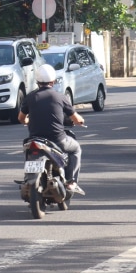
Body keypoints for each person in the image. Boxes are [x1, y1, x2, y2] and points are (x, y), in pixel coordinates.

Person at [19, 63, 85, 195]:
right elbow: (76, 119)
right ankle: (71, 182)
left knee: (28, 152)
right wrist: (81, 121)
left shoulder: (30, 97)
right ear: (53, 81)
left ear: (37, 81)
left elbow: (21, 118)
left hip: (35, 139)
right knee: (76, 149)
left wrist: (27, 121)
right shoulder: (60, 97)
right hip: (57, 140)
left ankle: (27, 179)